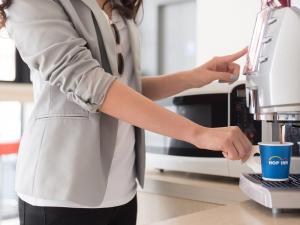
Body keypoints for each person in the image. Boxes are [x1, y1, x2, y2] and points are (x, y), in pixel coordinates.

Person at [1, 0, 252, 224]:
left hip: (122, 191)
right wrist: (198, 133)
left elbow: (125, 88)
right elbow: (89, 83)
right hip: (61, 193)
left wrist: (193, 77)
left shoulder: (118, 4)